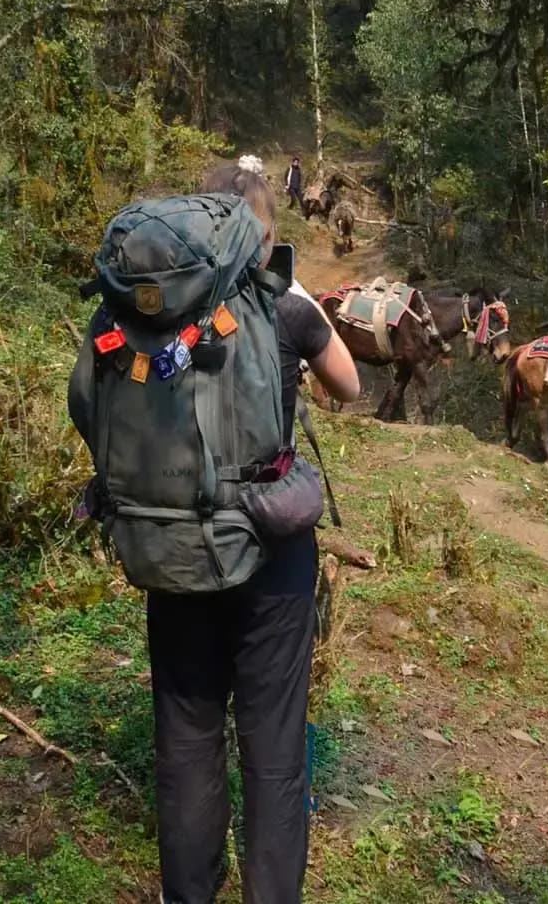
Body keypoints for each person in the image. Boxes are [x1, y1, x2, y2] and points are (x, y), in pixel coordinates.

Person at [145, 166, 359, 903]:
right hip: (271, 550)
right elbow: (350, 386)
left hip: (173, 543)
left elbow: (90, 403)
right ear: (264, 232)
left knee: (186, 731)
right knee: (272, 738)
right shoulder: (285, 305)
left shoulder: (150, 303)